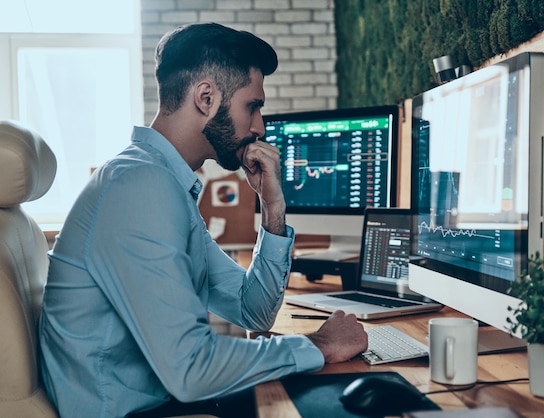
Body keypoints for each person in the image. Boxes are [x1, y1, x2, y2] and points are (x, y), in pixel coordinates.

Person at [38, 22, 368, 418]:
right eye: (253, 106)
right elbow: (190, 368)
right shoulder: (138, 187)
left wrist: (272, 208)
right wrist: (319, 345)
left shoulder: (163, 185)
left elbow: (254, 311)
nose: (260, 126)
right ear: (207, 98)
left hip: (165, 401)